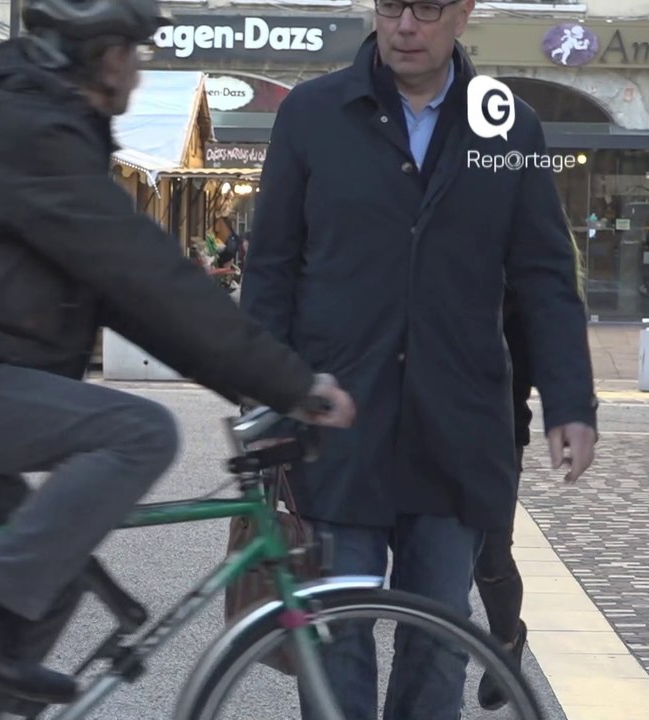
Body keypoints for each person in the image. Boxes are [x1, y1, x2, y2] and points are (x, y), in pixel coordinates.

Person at [0, 0, 356, 710]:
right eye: (137, 51)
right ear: (104, 56)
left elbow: (128, 295)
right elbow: (142, 273)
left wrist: (256, 380)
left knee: (42, 583)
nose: (140, 66)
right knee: (140, 431)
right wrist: (291, 383)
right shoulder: (34, 131)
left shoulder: (33, 119)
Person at [240, 0, 598, 717]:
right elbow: (272, 267)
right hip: (339, 419)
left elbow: (543, 278)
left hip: (457, 428)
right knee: (338, 634)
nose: (406, 24)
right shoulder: (312, 114)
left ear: (463, 14)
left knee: (437, 639)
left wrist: (569, 404)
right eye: (390, 5)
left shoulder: (508, 126)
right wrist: (264, 392)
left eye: (427, 7)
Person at [475, 244, 587, 710]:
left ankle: (505, 641)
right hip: (433, 423)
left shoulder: (521, 256)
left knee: (491, 554)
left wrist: (571, 407)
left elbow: (551, 327)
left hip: (501, 427)